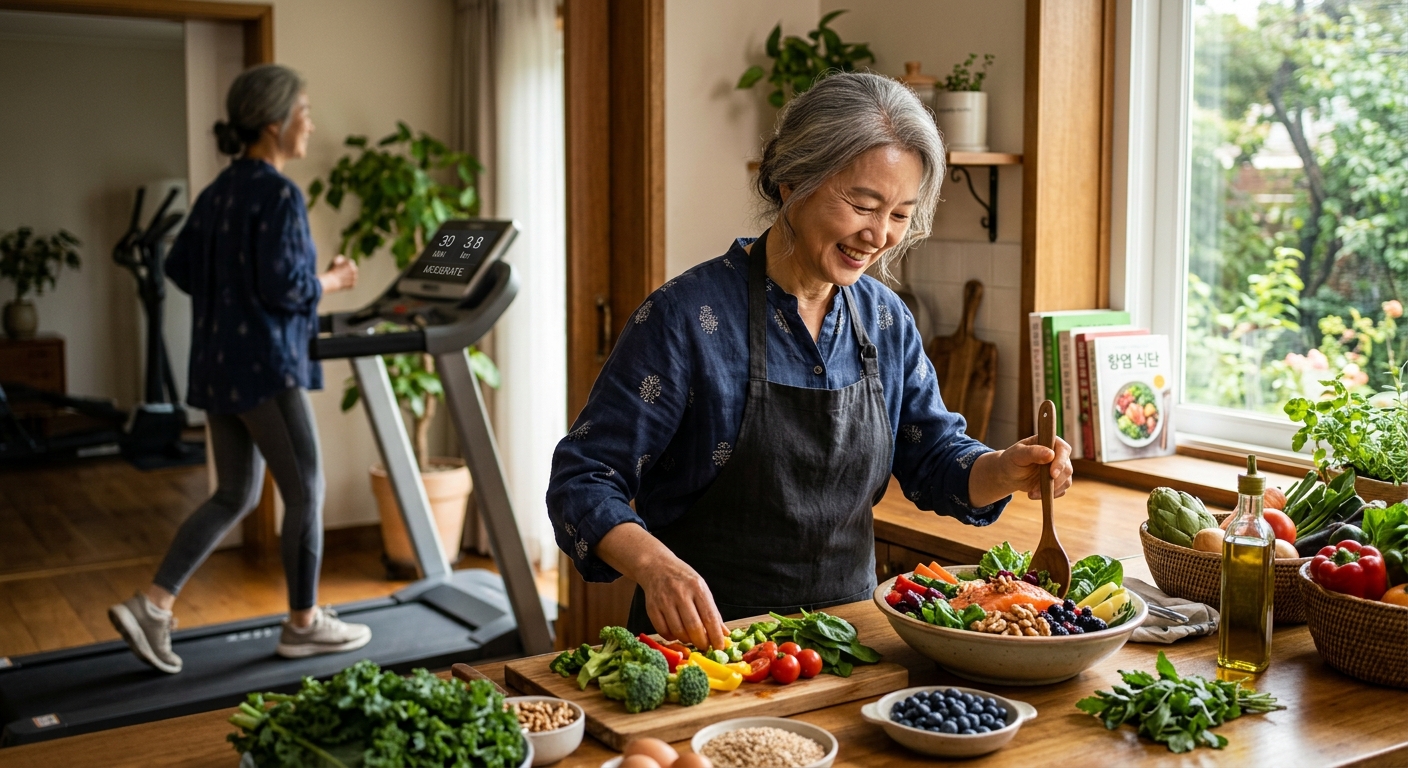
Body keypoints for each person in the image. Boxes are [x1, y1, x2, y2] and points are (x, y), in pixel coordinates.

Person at [546, 72, 1073, 652]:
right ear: (791, 180)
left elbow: (935, 459)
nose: (879, 235)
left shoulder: (887, 320)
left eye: (900, 214)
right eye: (863, 204)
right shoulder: (686, 316)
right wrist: (655, 566)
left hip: (851, 646)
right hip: (705, 648)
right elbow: (584, 479)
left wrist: (1005, 468)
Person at [107, 64, 370, 674]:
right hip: (264, 369)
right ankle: (303, 624)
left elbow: (178, 269)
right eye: (304, 113)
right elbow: (284, 287)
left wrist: (231, 293)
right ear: (275, 124)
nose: (311, 124)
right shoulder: (278, 193)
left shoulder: (218, 192)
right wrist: (333, 278)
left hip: (217, 368)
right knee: (305, 490)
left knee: (235, 492)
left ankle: (153, 605)